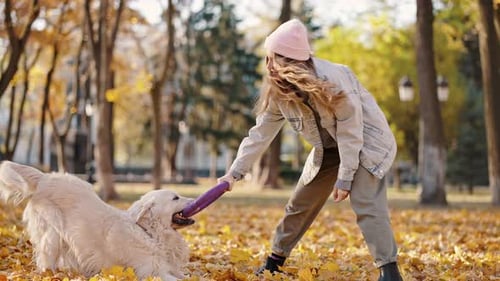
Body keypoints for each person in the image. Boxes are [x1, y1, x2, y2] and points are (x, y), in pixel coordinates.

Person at [217, 19, 403, 281]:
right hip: (328, 149)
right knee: (300, 203)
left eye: (271, 57)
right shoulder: (279, 92)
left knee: (366, 202)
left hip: (366, 142)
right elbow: (260, 134)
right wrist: (233, 174)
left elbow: (351, 132)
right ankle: (274, 262)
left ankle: (390, 271)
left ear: (283, 60)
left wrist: (345, 177)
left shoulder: (335, 80)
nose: (267, 64)